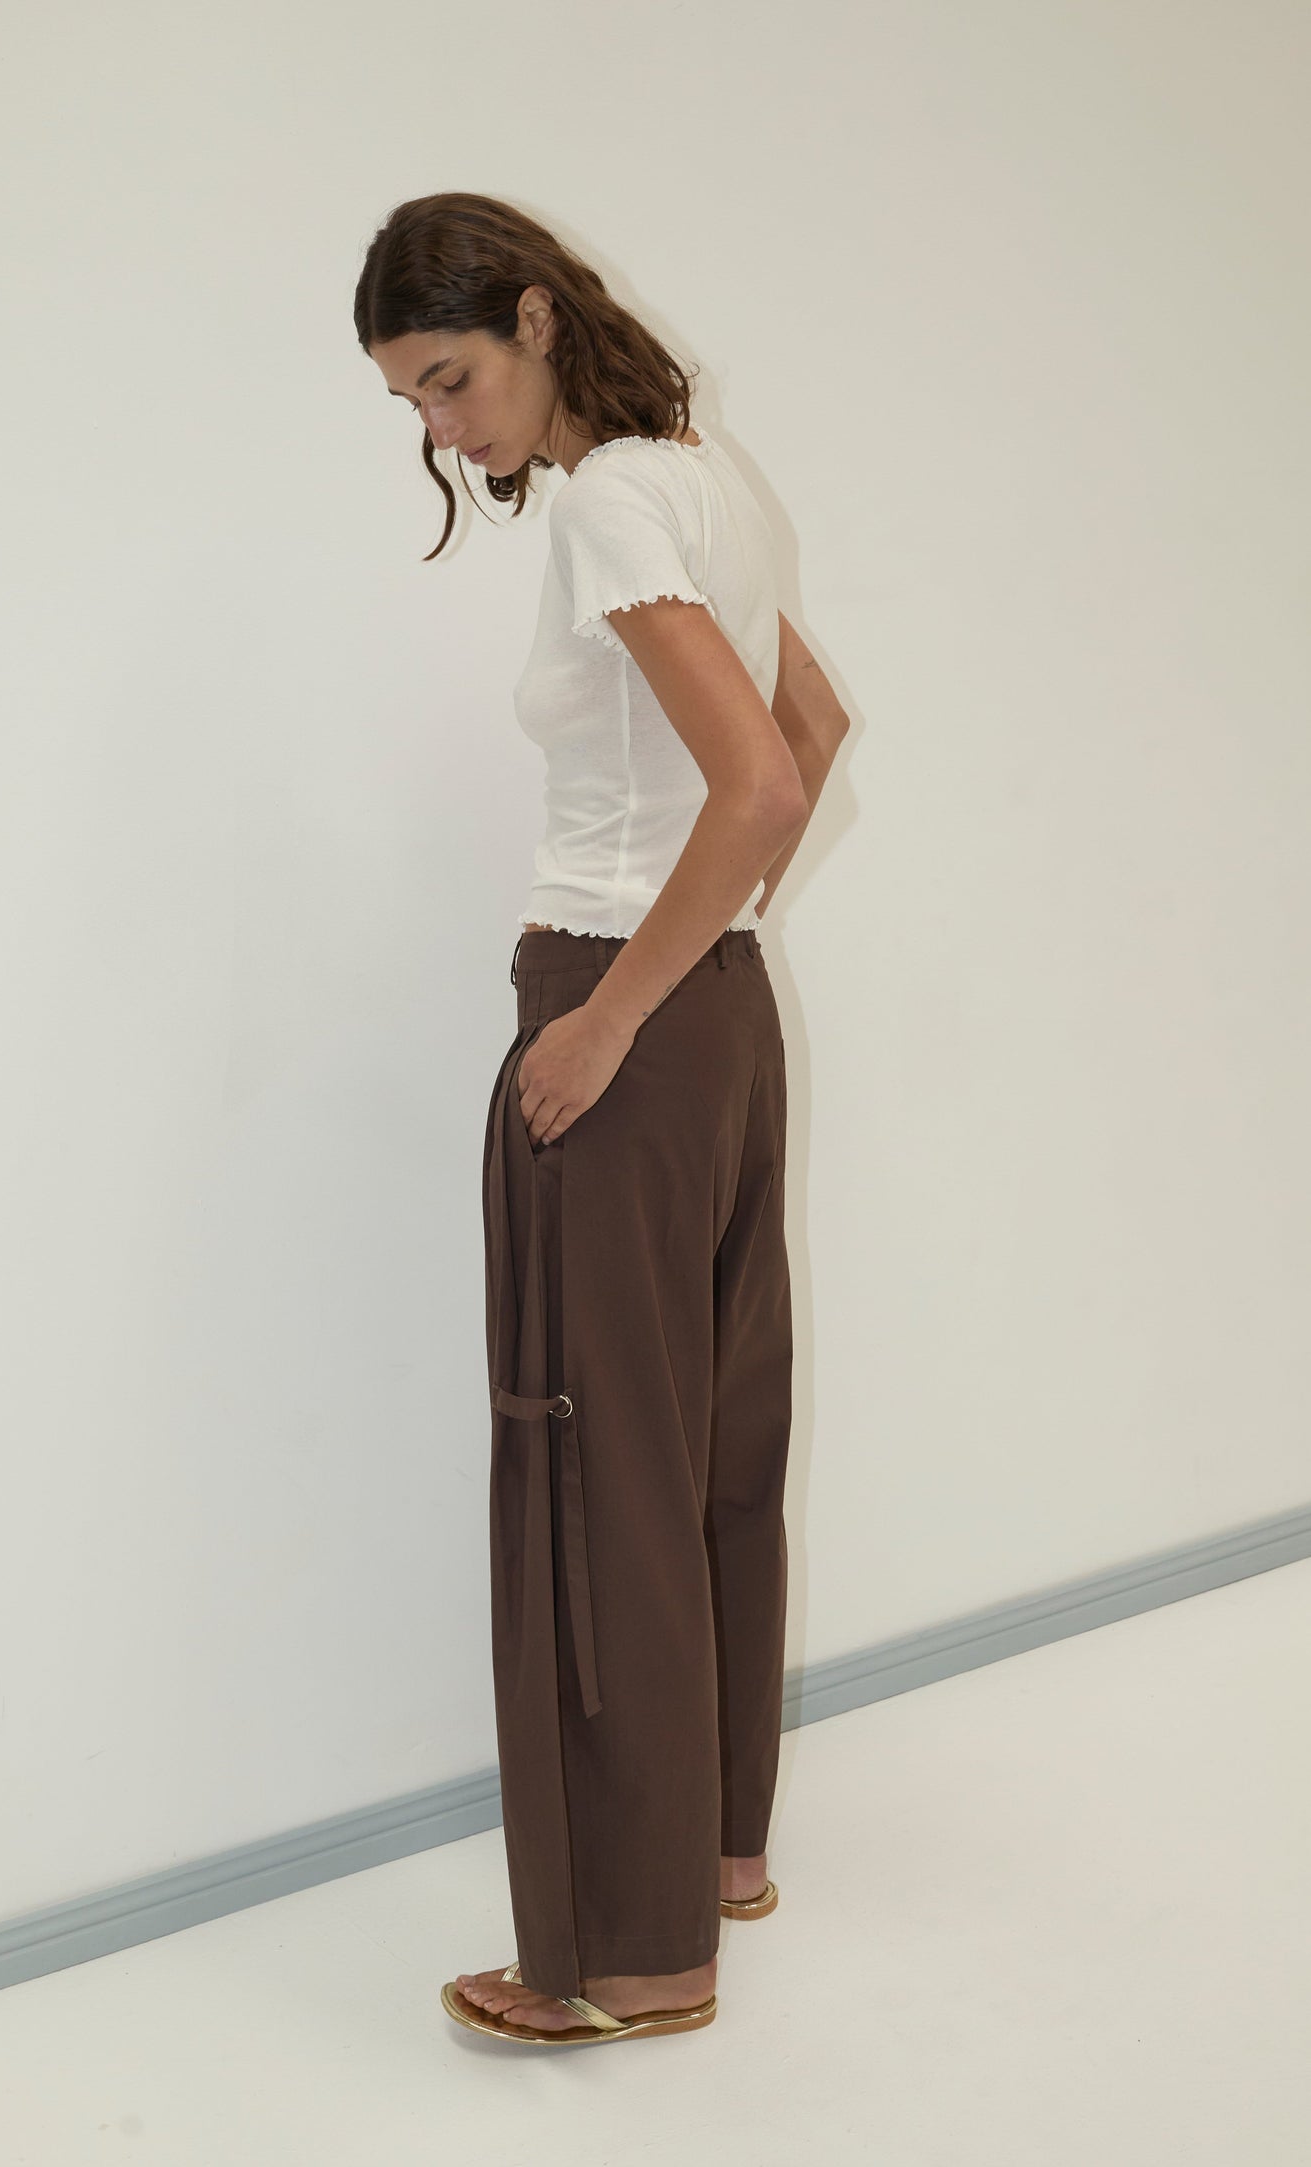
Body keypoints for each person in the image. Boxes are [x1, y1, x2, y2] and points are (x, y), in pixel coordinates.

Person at [357, 192, 850, 2046]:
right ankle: (715, 1854)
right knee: (709, 1448)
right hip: (723, 1013)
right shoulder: (708, 483)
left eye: (451, 379)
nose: (441, 428)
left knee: (597, 1474)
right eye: (411, 401)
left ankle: (632, 1958)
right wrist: (700, 962)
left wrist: (612, 1014)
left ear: (537, 321)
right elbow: (816, 734)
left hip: (620, 1003)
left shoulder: (610, 505)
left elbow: (762, 780)